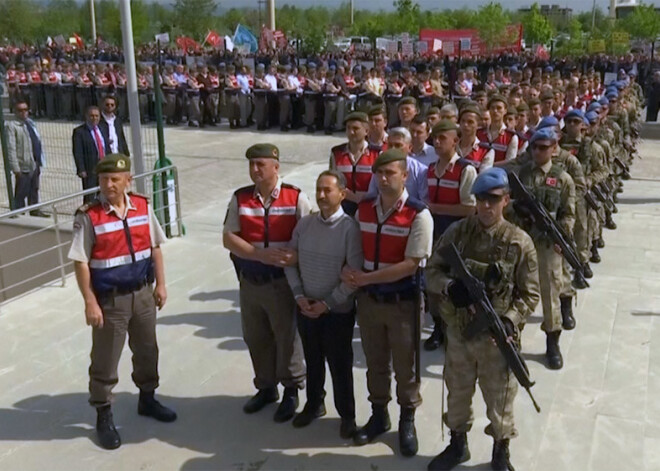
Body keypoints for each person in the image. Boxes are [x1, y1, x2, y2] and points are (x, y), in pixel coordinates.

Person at [426, 168, 540, 471]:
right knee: (458, 391)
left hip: (495, 338)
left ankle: (501, 451)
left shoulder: (519, 242)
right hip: (460, 333)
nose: (486, 206)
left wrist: (510, 320)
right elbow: (432, 271)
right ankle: (457, 444)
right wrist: (449, 287)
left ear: (506, 200)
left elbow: (530, 295)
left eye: (493, 199)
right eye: (481, 200)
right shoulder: (458, 233)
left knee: (500, 397)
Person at [67, 154, 176, 450]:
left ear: (128, 180)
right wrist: (89, 301)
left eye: (115, 179)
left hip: (143, 293)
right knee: (105, 359)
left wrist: (162, 285)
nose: (108, 185)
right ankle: (103, 414)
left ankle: (148, 398)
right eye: (103, 180)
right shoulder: (89, 216)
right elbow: (80, 262)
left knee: (147, 350)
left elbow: (155, 248)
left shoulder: (142, 206)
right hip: (110, 300)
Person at [344, 148, 433, 457]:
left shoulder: (419, 214)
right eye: (379, 173)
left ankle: (407, 420)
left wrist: (366, 278)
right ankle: (379, 414)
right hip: (369, 302)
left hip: (403, 303)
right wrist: (349, 271)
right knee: (375, 361)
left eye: (390, 173)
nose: (383, 179)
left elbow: (412, 263)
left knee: (407, 366)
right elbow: (354, 247)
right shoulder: (364, 209)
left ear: (405, 176)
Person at [223, 143, 310, 423]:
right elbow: (229, 237)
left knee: (287, 337)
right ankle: (266, 387)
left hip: (282, 282)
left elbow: (311, 235)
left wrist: (295, 256)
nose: (255, 170)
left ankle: (291, 390)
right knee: (256, 336)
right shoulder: (240, 198)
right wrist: (258, 254)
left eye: (261, 164)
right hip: (250, 281)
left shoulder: (295, 197)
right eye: (251, 165)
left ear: (276, 166)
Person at [284, 170, 363, 439]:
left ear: (342, 193)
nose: (321, 195)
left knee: (340, 366)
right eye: (318, 189)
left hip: (336, 312)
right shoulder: (304, 225)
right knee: (313, 360)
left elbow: (353, 276)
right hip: (306, 307)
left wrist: (327, 304)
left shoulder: (350, 229)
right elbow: (289, 262)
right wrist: (299, 297)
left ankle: (347, 415)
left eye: (327, 190)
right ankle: (314, 403)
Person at [510, 128, 575, 370]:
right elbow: (507, 205)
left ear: (553, 148)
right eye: (535, 147)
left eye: (543, 147)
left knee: (550, 292)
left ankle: (552, 341)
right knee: (518, 289)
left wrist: (562, 234)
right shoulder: (521, 175)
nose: (538, 152)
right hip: (522, 241)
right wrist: (518, 211)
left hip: (547, 244)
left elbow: (569, 214)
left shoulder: (562, 178)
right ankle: (513, 335)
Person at [329, 112, 381, 216]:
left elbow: (379, 184)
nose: (351, 132)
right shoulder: (337, 153)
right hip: (343, 206)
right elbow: (333, 180)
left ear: (366, 131)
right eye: (348, 128)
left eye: (355, 128)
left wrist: (360, 198)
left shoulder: (376, 154)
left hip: (369, 205)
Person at [6, 100, 48, 215]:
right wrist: (15, 167)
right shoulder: (12, 126)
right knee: (21, 191)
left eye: (25, 110)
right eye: (20, 110)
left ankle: (34, 210)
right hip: (23, 164)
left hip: (35, 162)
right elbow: (11, 148)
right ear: (15, 112)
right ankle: (19, 212)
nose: (23, 113)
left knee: (34, 189)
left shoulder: (30, 123)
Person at [73, 106, 111, 203]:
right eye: (92, 116)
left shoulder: (103, 128)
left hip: (104, 167)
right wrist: (81, 169)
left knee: (104, 192)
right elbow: (77, 152)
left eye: (96, 116)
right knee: (89, 195)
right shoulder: (79, 132)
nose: (94, 118)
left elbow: (106, 147)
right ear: (86, 116)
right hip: (90, 168)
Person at [457, 104, 494, 173]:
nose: (465, 125)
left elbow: (483, 178)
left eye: (470, 122)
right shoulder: (452, 147)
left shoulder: (485, 151)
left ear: (478, 124)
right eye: (463, 121)